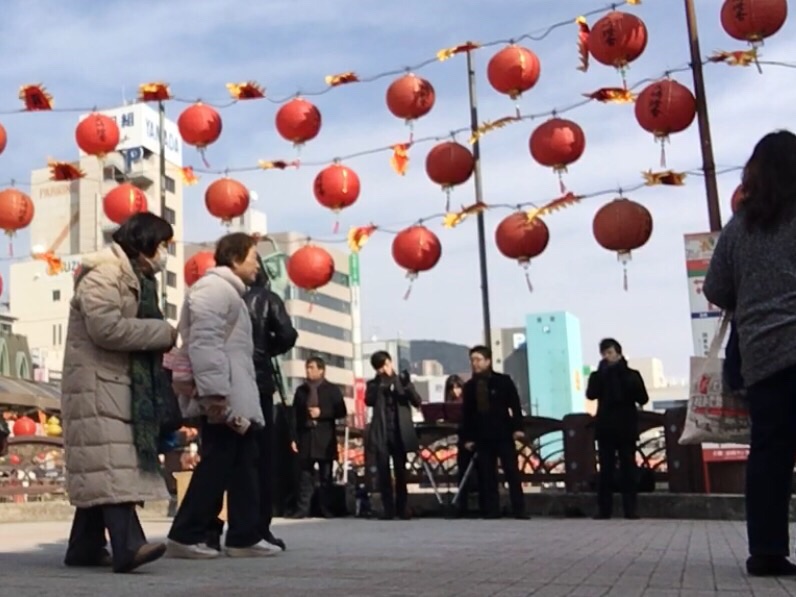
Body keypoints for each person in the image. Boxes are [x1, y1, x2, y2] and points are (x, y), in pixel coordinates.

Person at [61, 212, 178, 573]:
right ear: (144, 243)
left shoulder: (133, 277)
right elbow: (105, 328)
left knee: (104, 466)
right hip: (97, 386)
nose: (164, 253)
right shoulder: (104, 274)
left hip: (113, 383)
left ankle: (84, 547)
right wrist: (162, 332)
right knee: (114, 465)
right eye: (162, 245)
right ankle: (129, 546)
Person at [703, 130, 796, 577]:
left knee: (770, 453)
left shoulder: (740, 228)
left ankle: (767, 551)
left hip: (763, 356)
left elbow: (715, 288)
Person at [167, 232, 274, 559]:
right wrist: (214, 393)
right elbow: (204, 343)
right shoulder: (214, 289)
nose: (257, 266)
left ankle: (244, 535)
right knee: (218, 463)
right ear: (237, 258)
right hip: (224, 394)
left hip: (234, 390)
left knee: (242, 462)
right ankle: (186, 533)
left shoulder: (229, 292)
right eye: (254, 258)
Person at [205, 259, 297, 552]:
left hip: (222, 381)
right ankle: (256, 529)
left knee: (219, 458)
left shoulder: (219, 294)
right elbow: (288, 335)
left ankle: (209, 529)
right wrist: (266, 349)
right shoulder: (267, 299)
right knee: (259, 461)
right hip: (258, 382)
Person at [460, 346, 527, 519]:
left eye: (478, 360)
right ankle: (491, 510)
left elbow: (515, 406)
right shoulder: (469, 386)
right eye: (472, 360)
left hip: (503, 433)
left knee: (511, 471)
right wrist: (467, 438)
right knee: (487, 474)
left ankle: (519, 509)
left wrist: (518, 428)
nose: (475, 364)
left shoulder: (503, 381)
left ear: (488, 361)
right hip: (482, 435)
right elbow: (467, 415)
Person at [585, 338, 648, 521]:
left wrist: (629, 383)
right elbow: (591, 394)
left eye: (610, 352)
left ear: (619, 353)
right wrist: (600, 376)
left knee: (628, 468)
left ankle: (631, 509)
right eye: (604, 353)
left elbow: (643, 398)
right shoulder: (598, 375)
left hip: (626, 426)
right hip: (605, 427)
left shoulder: (631, 375)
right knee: (606, 469)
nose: (607, 356)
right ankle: (604, 510)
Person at [365, 350, 422, 520]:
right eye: (380, 367)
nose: (384, 369)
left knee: (401, 471)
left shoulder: (402, 381)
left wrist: (405, 385)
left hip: (399, 431)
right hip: (382, 431)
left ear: (391, 363)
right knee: (383, 472)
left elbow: (417, 401)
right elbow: (369, 400)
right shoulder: (373, 384)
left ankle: (402, 507)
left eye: (386, 365)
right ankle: (388, 508)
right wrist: (380, 386)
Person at [291, 357, 347, 518]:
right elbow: (294, 416)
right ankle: (302, 509)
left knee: (325, 476)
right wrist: (293, 437)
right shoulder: (301, 391)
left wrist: (322, 413)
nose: (308, 371)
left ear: (321, 370)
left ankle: (325, 508)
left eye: (311, 367)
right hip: (306, 437)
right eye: (307, 367)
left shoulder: (331, 390)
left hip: (324, 437)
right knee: (305, 476)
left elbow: (341, 411)